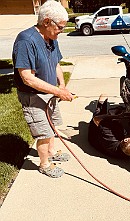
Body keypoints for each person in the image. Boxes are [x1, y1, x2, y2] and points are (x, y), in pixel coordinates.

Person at [12, 0, 75, 178]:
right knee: (44, 131)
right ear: (47, 22)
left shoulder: (51, 38)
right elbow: (27, 78)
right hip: (33, 96)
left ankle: (52, 152)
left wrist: (61, 85)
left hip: (50, 93)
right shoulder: (26, 40)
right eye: (60, 27)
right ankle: (45, 164)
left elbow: (56, 64)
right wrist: (58, 91)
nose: (61, 31)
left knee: (52, 125)